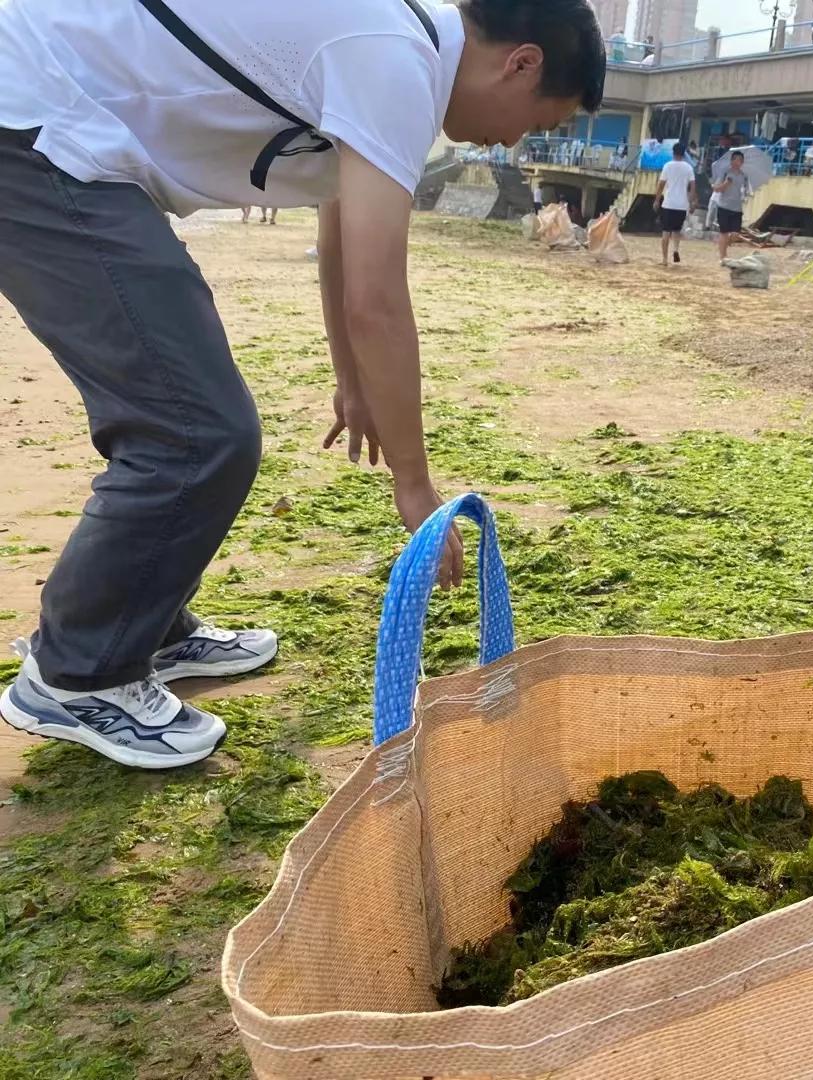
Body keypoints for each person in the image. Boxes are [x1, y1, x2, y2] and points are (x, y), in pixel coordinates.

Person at [0, 0, 605, 768]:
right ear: (520, 63)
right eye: (538, 120)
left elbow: (338, 238)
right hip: (32, 129)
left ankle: (143, 626)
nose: (515, 141)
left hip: (57, 127)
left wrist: (353, 382)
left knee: (194, 420)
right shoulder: (395, 56)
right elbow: (377, 298)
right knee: (193, 432)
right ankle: (77, 672)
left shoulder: (400, 54)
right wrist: (415, 486)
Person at [654, 141, 695, 265]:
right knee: (676, 230)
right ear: (684, 154)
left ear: (673, 152)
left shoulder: (667, 166)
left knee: (666, 232)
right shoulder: (688, 168)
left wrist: (657, 200)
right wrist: (691, 203)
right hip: (682, 205)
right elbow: (692, 187)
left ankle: (665, 259)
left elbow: (661, 184)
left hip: (669, 203)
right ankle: (675, 250)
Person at [714, 149, 750, 261]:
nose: (737, 162)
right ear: (731, 161)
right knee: (724, 232)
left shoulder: (744, 176)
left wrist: (746, 194)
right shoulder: (725, 173)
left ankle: (723, 245)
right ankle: (723, 257)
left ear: (742, 162)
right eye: (735, 159)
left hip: (737, 208)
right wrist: (726, 183)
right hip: (724, 206)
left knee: (735, 234)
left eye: (740, 160)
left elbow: (746, 191)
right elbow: (717, 189)